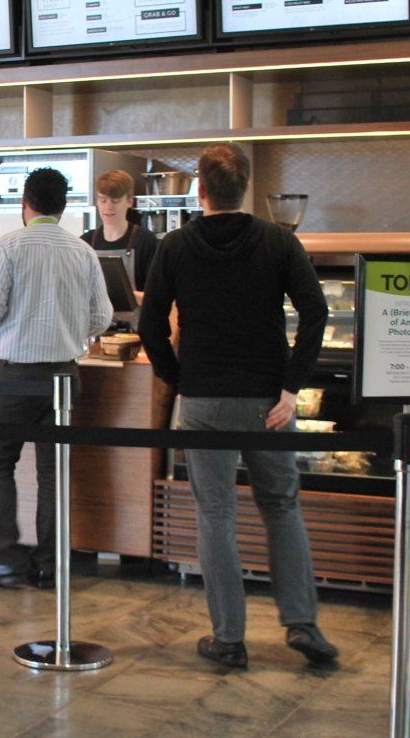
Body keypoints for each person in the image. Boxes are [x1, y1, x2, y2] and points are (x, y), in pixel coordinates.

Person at [137, 144, 336, 670]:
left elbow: (149, 324)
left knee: (216, 515)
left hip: (204, 399)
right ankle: (302, 623)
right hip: (268, 398)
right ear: (245, 189)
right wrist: (292, 387)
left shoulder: (175, 246)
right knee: (282, 505)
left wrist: (177, 379)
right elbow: (316, 312)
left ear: (200, 190)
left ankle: (229, 639)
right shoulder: (278, 240)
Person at [0, 167, 113, 588]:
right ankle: (50, 565)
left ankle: (6, 561)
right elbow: (102, 316)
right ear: (64, 206)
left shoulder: (9, 246)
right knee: (53, 472)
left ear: (24, 205)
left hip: (14, 376)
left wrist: (2, 328)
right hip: (64, 377)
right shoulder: (82, 251)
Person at [81, 169, 161, 293]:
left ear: (129, 201)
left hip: (134, 313)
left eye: (115, 201)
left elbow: (157, 296)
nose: (108, 207)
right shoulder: (85, 241)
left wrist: (125, 295)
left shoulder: (145, 241)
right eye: (103, 200)